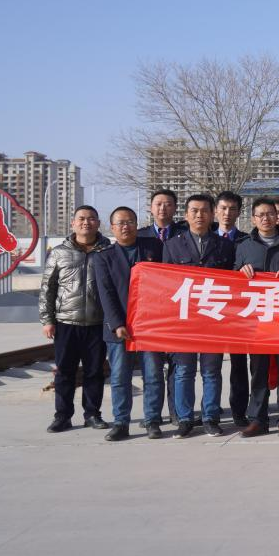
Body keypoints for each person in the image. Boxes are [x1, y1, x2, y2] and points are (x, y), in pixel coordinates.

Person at [233, 197, 279, 438]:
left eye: (270, 214)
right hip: (257, 320)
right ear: (253, 219)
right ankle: (258, 418)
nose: (266, 218)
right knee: (258, 371)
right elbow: (233, 282)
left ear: (277, 217)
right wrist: (240, 272)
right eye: (260, 215)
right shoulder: (244, 246)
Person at [163, 194, 237, 438]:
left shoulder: (224, 245)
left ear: (212, 214)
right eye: (194, 211)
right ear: (185, 215)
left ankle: (210, 417)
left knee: (211, 371)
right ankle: (185, 419)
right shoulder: (172, 245)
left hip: (212, 318)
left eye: (204, 210)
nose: (199, 215)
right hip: (183, 320)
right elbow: (165, 284)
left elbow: (232, 283)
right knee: (183, 371)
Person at [92, 206, 164, 441]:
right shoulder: (103, 256)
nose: (126, 226)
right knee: (120, 378)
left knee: (153, 376)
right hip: (120, 328)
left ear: (137, 224)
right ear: (112, 228)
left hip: (150, 326)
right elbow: (106, 293)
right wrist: (116, 323)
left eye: (130, 222)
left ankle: (152, 420)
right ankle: (121, 423)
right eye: (121, 223)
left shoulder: (154, 248)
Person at [39, 205, 111, 433]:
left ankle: (93, 414)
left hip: (98, 323)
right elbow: (47, 289)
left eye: (91, 218)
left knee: (95, 372)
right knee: (64, 372)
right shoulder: (59, 253)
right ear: (73, 223)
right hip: (66, 323)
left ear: (98, 223)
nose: (86, 222)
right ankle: (62, 416)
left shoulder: (108, 251)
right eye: (81, 218)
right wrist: (47, 320)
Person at [136, 189, 185, 421]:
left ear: (175, 208)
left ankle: (178, 413)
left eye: (168, 204)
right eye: (158, 204)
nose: (163, 208)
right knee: (152, 369)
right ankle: (152, 417)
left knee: (179, 368)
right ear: (151, 207)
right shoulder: (139, 236)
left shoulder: (185, 235)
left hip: (179, 311)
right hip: (150, 313)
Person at [211, 190, 252, 425]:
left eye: (232, 209)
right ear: (216, 211)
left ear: (239, 213)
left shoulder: (247, 240)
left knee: (239, 364)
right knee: (211, 364)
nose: (227, 213)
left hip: (239, 311)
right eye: (223, 208)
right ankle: (211, 410)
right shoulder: (205, 238)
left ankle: (239, 411)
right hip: (212, 308)